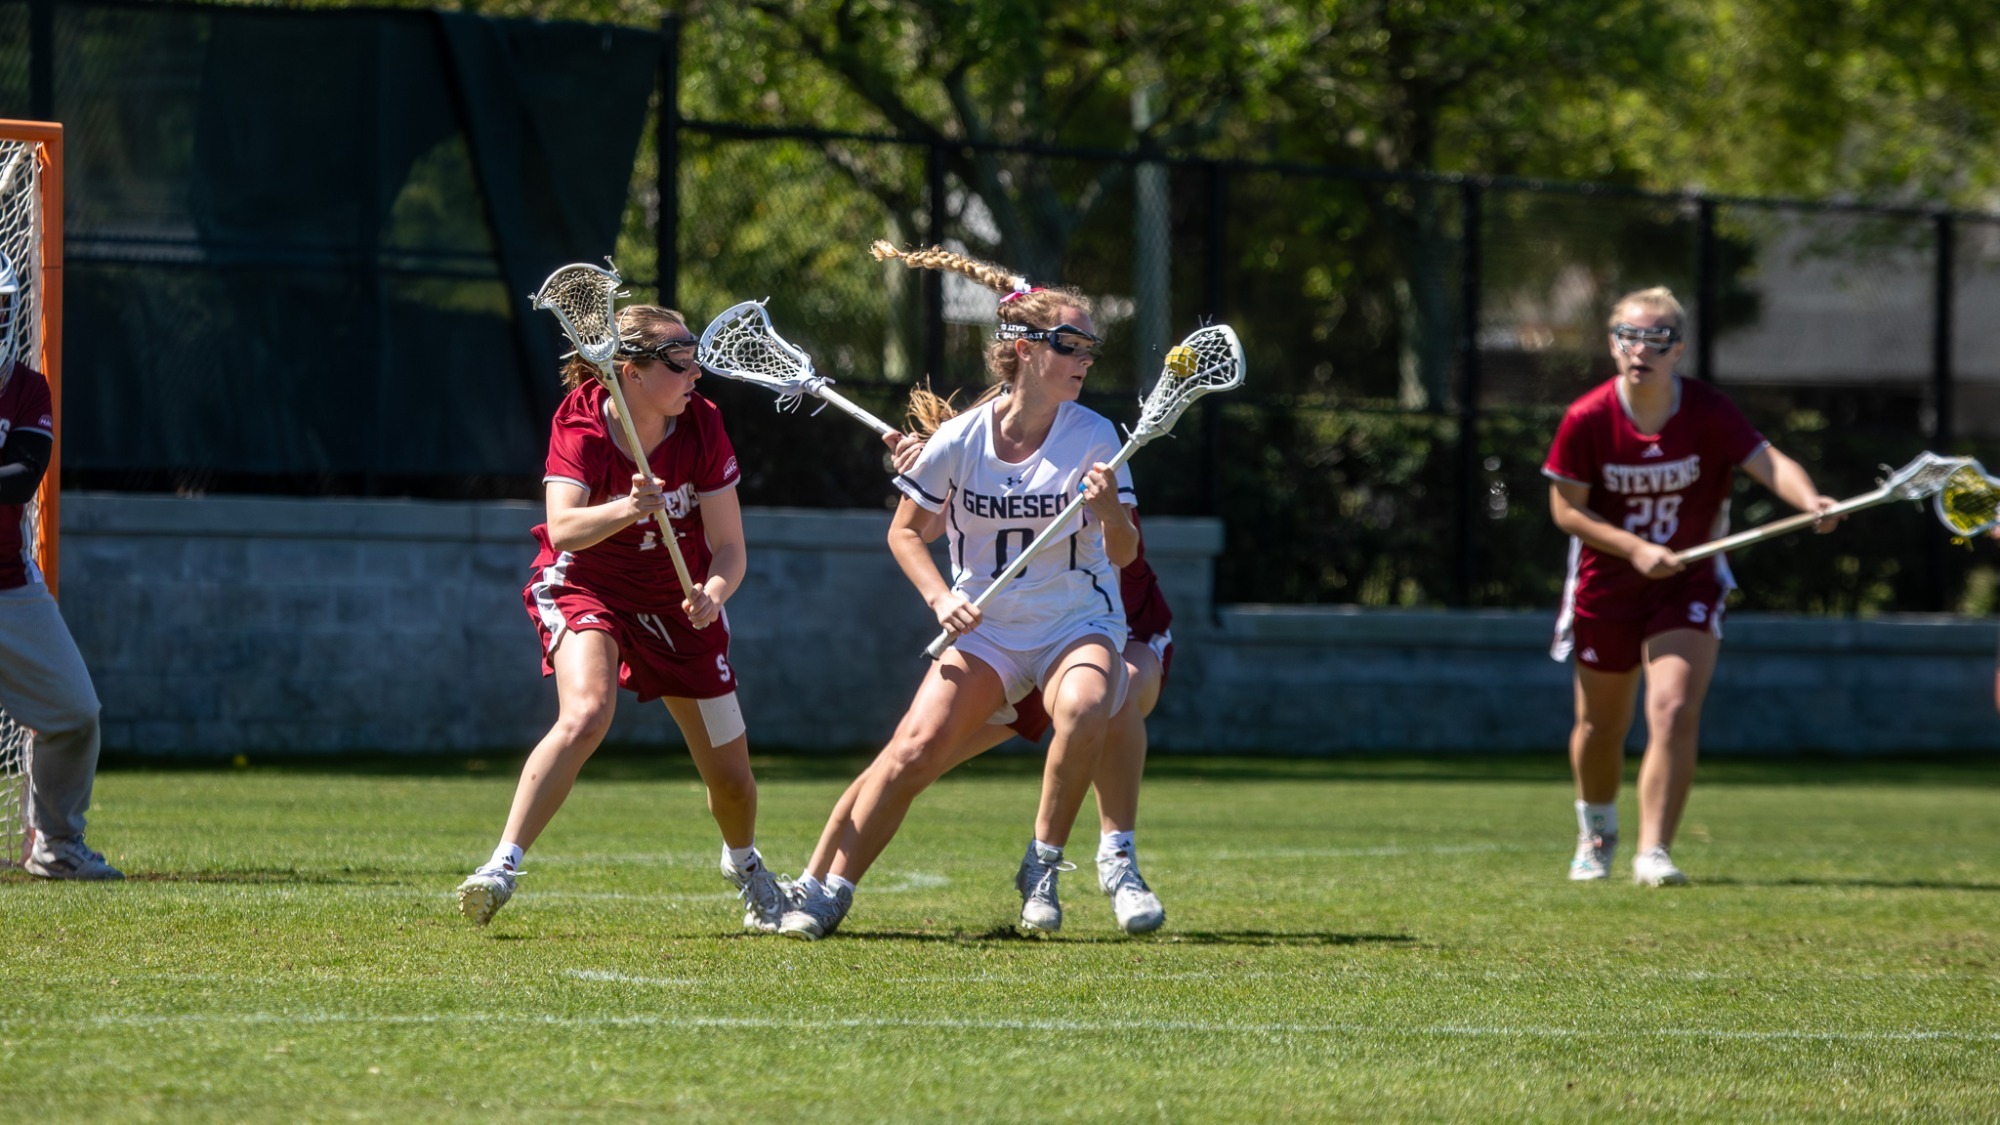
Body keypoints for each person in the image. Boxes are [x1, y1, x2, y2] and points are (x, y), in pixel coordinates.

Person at [776, 244, 1136, 939]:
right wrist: (943, 600)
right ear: (1026, 349)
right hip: (987, 629)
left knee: (1088, 704)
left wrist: (1113, 510)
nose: (1086, 356)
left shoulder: (1095, 436)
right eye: (1071, 343)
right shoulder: (962, 438)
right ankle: (829, 890)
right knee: (911, 752)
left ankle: (1044, 861)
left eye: (1092, 343)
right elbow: (906, 532)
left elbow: (1123, 552)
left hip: (1075, 621)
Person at [455, 304, 786, 931]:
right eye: (679, 363)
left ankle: (745, 866)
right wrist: (629, 508)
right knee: (585, 715)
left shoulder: (703, 424)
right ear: (630, 372)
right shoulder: (579, 420)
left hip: (679, 607)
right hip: (588, 588)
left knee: (735, 782)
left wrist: (714, 591)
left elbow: (731, 546)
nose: (695, 375)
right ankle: (501, 865)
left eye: (695, 361)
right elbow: (564, 530)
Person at [1543, 286, 1840, 886]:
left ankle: (1655, 850)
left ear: (1678, 349)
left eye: (1656, 339)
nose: (1640, 349)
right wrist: (1634, 548)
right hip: (1608, 584)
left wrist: (1810, 500)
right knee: (1601, 724)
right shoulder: (1587, 418)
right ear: (1611, 343)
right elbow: (1566, 511)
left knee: (1674, 709)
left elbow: (1768, 460)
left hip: (1687, 583)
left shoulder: (1707, 410)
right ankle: (1596, 833)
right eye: (1629, 336)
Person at [0, 251, 116, 880]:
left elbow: (21, 477)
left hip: (8, 587)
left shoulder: (26, 386)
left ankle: (56, 846)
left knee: (75, 714)